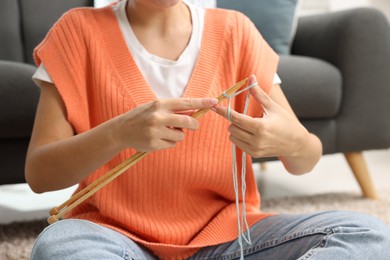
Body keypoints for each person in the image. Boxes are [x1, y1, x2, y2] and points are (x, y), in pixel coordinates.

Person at [26, 0, 390, 259]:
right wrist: (118, 133)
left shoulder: (235, 30)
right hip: (113, 237)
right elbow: (40, 175)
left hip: (231, 239)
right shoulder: (76, 31)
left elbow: (304, 158)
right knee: (60, 246)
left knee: (368, 236)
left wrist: (290, 142)